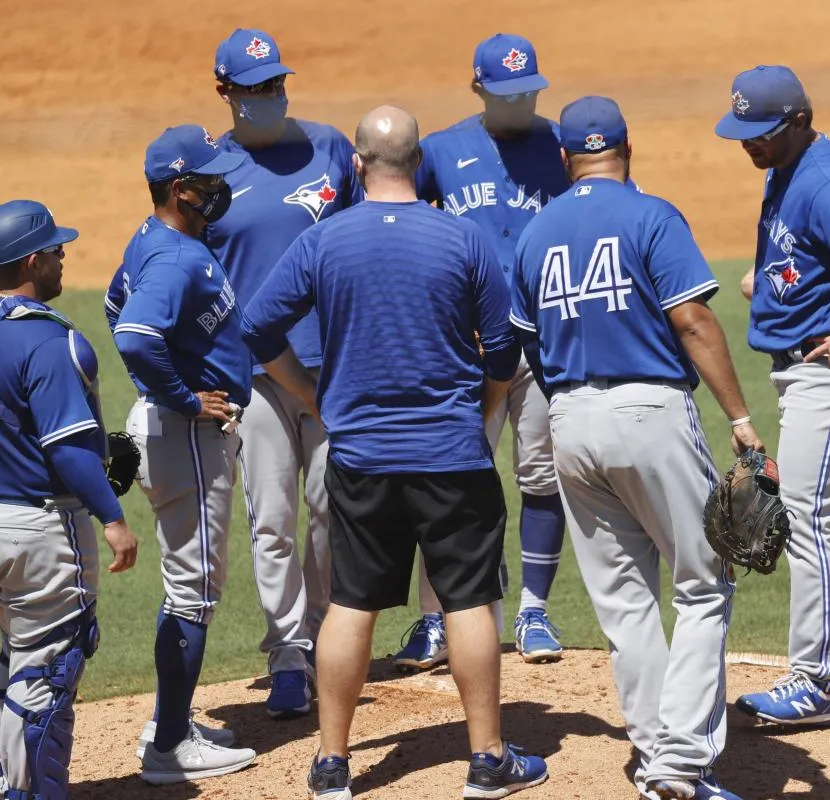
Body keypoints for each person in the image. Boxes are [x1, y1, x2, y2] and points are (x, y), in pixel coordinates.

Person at [241, 105, 548, 800]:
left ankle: (330, 765)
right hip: (451, 454)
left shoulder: (326, 241)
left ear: (356, 165)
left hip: (358, 458)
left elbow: (257, 327)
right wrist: (488, 407)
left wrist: (312, 395)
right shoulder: (462, 238)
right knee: (469, 600)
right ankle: (488, 761)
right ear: (419, 165)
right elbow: (503, 346)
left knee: (351, 602)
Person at [512, 95, 761, 800]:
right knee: (704, 582)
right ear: (629, 149)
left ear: (565, 159)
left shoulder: (535, 234)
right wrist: (739, 416)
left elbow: (524, 339)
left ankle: (656, 755)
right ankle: (681, 761)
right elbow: (691, 318)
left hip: (570, 420)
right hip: (650, 410)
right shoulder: (652, 215)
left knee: (623, 599)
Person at [718, 66, 830, 724]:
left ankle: (816, 682)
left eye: (762, 133)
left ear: (800, 121)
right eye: (743, 134)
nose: (750, 145)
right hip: (822, 371)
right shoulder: (787, 168)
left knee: (808, 521)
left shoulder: (823, 178)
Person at [0, 200, 139, 799]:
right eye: (56, 250)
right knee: (51, 670)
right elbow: (68, 455)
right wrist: (113, 518)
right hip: (40, 530)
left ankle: (11, 785)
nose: (63, 258)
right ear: (32, 260)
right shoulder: (49, 341)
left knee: (21, 660)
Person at [207, 27, 365, 718]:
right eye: (254, 88)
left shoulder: (329, 147)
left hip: (336, 368)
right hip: (257, 377)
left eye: (276, 84)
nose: (270, 96)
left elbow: (365, 239)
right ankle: (287, 655)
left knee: (333, 511)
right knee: (271, 519)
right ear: (225, 91)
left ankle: (327, 630)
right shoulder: (208, 172)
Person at [401, 32, 571, 669]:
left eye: (529, 91)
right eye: (507, 93)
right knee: (447, 478)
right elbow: (400, 225)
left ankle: (533, 610)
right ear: (477, 87)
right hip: (463, 344)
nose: (521, 103)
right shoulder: (441, 150)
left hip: (544, 340)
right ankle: (433, 618)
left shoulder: (561, 145)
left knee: (540, 474)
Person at [105, 124, 258, 783]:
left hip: (171, 431)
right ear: (181, 189)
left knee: (189, 586)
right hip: (184, 435)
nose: (221, 188)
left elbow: (115, 302)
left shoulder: (158, 238)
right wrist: (185, 397)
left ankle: (173, 718)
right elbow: (136, 332)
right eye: (210, 180)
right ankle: (170, 748)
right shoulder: (173, 258)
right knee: (194, 589)